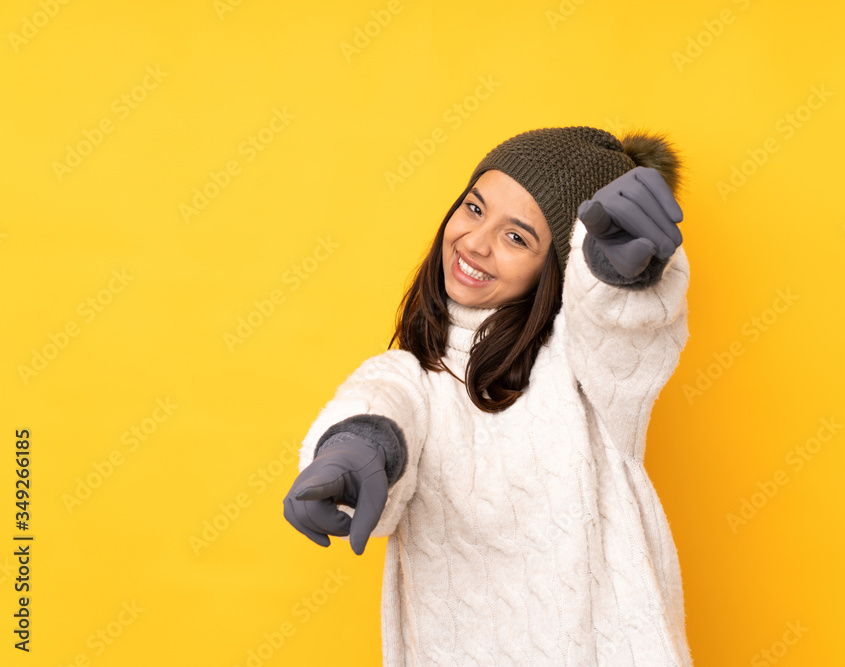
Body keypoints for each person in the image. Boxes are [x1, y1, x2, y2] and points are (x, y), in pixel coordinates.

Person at [283, 125, 693, 666]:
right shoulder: (412, 375)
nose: (475, 243)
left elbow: (621, 334)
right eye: (475, 209)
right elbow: (383, 401)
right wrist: (355, 452)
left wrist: (618, 277)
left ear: (558, 267)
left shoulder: (581, 370)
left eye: (517, 237)